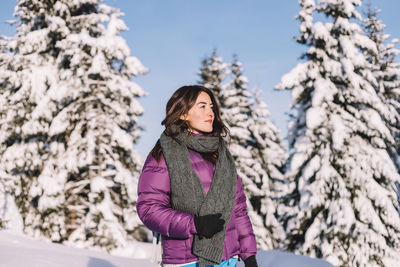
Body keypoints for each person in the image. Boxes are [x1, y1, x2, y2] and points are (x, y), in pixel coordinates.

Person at [136, 85, 258, 267]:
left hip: (227, 260)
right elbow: (149, 208)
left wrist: (249, 254)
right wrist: (194, 224)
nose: (211, 112)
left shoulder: (221, 154)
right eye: (202, 106)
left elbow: (237, 209)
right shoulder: (164, 154)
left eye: (211, 106)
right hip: (187, 261)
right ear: (183, 114)